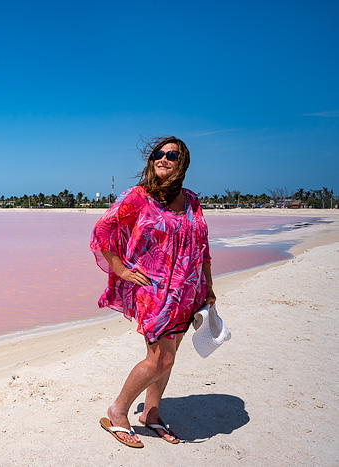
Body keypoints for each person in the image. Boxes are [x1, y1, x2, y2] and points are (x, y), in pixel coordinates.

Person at [90, 136, 216, 448]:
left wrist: (209, 287)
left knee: (169, 357)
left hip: (188, 291)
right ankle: (118, 410)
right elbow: (101, 232)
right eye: (158, 154)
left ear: (182, 162)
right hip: (154, 290)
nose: (162, 159)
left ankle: (152, 413)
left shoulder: (191, 201)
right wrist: (121, 270)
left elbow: (202, 246)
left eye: (171, 155)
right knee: (160, 360)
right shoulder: (138, 197)